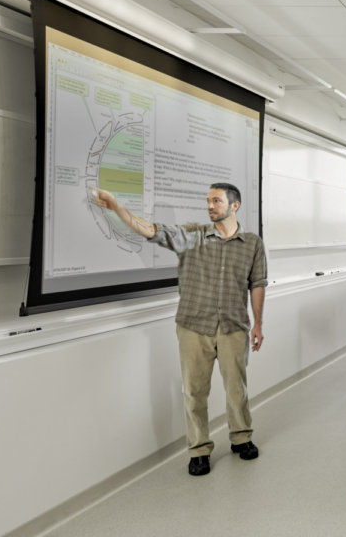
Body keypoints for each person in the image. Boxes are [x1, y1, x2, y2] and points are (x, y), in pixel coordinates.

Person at [91, 183, 266, 477]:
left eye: (217, 201)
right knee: (195, 392)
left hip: (234, 327)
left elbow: (257, 283)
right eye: (208, 200)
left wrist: (258, 322)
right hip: (193, 327)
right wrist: (119, 207)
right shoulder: (192, 236)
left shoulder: (252, 243)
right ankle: (199, 450)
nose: (210, 206)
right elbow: (150, 230)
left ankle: (241, 437)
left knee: (238, 389)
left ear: (234, 206)